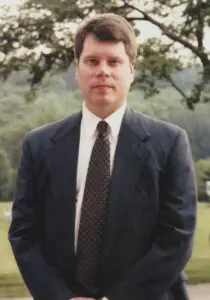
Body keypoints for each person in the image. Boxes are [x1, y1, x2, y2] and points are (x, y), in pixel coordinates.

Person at [9, 13, 196, 300]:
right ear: (78, 70)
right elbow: (24, 233)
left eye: (114, 62)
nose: (103, 71)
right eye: (92, 61)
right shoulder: (39, 145)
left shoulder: (170, 143)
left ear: (131, 70)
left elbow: (177, 237)